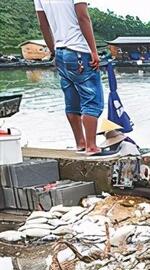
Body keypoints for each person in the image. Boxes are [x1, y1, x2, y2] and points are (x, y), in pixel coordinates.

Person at [35, 0, 104, 155]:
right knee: (92, 100)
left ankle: (80, 143)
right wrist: (93, 50)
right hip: (79, 50)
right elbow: (83, 17)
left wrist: (53, 50)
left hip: (60, 51)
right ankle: (92, 146)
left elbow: (43, 25)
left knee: (71, 100)